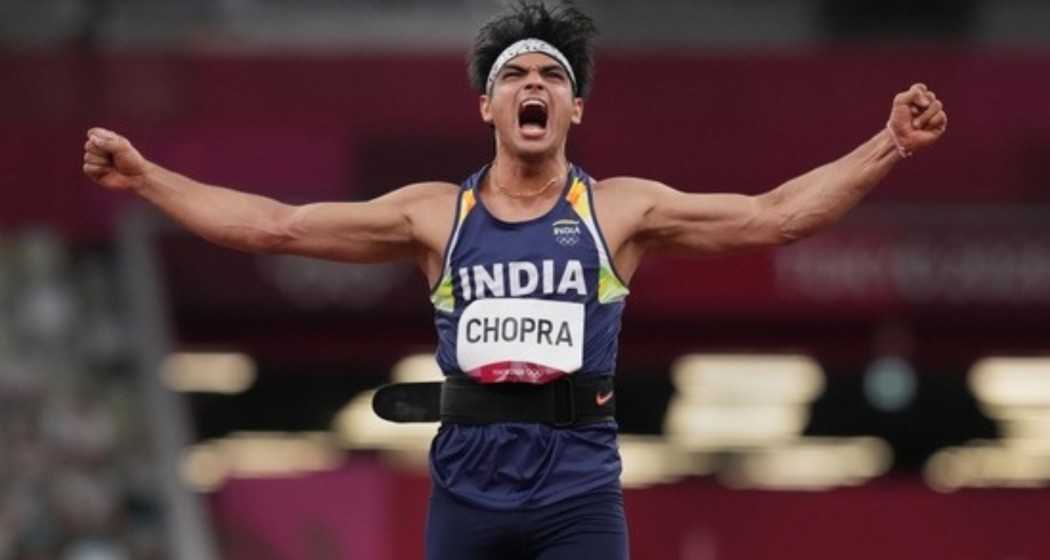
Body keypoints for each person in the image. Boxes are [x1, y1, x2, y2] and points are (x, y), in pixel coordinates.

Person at [81, 2, 947, 558]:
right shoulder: (434, 217)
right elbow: (277, 225)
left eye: (553, 77)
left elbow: (775, 216)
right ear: (487, 107)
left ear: (575, 110)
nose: (534, 85)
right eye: (515, 77)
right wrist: (147, 178)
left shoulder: (620, 212)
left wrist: (891, 145)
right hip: (467, 494)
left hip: (578, 495)